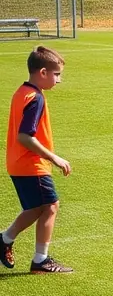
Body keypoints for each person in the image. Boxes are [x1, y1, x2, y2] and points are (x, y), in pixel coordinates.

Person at [1, 46, 73, 274]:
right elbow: (24, 136)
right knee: (50, 206)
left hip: (17, 162)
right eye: (57, 74)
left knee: (35, 208)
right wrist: (54, 158)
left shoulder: (21, 92)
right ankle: (40, 260)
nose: (59, 80)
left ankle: (5, 239)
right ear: (42, 72)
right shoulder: (35, 98)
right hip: (31, 164)